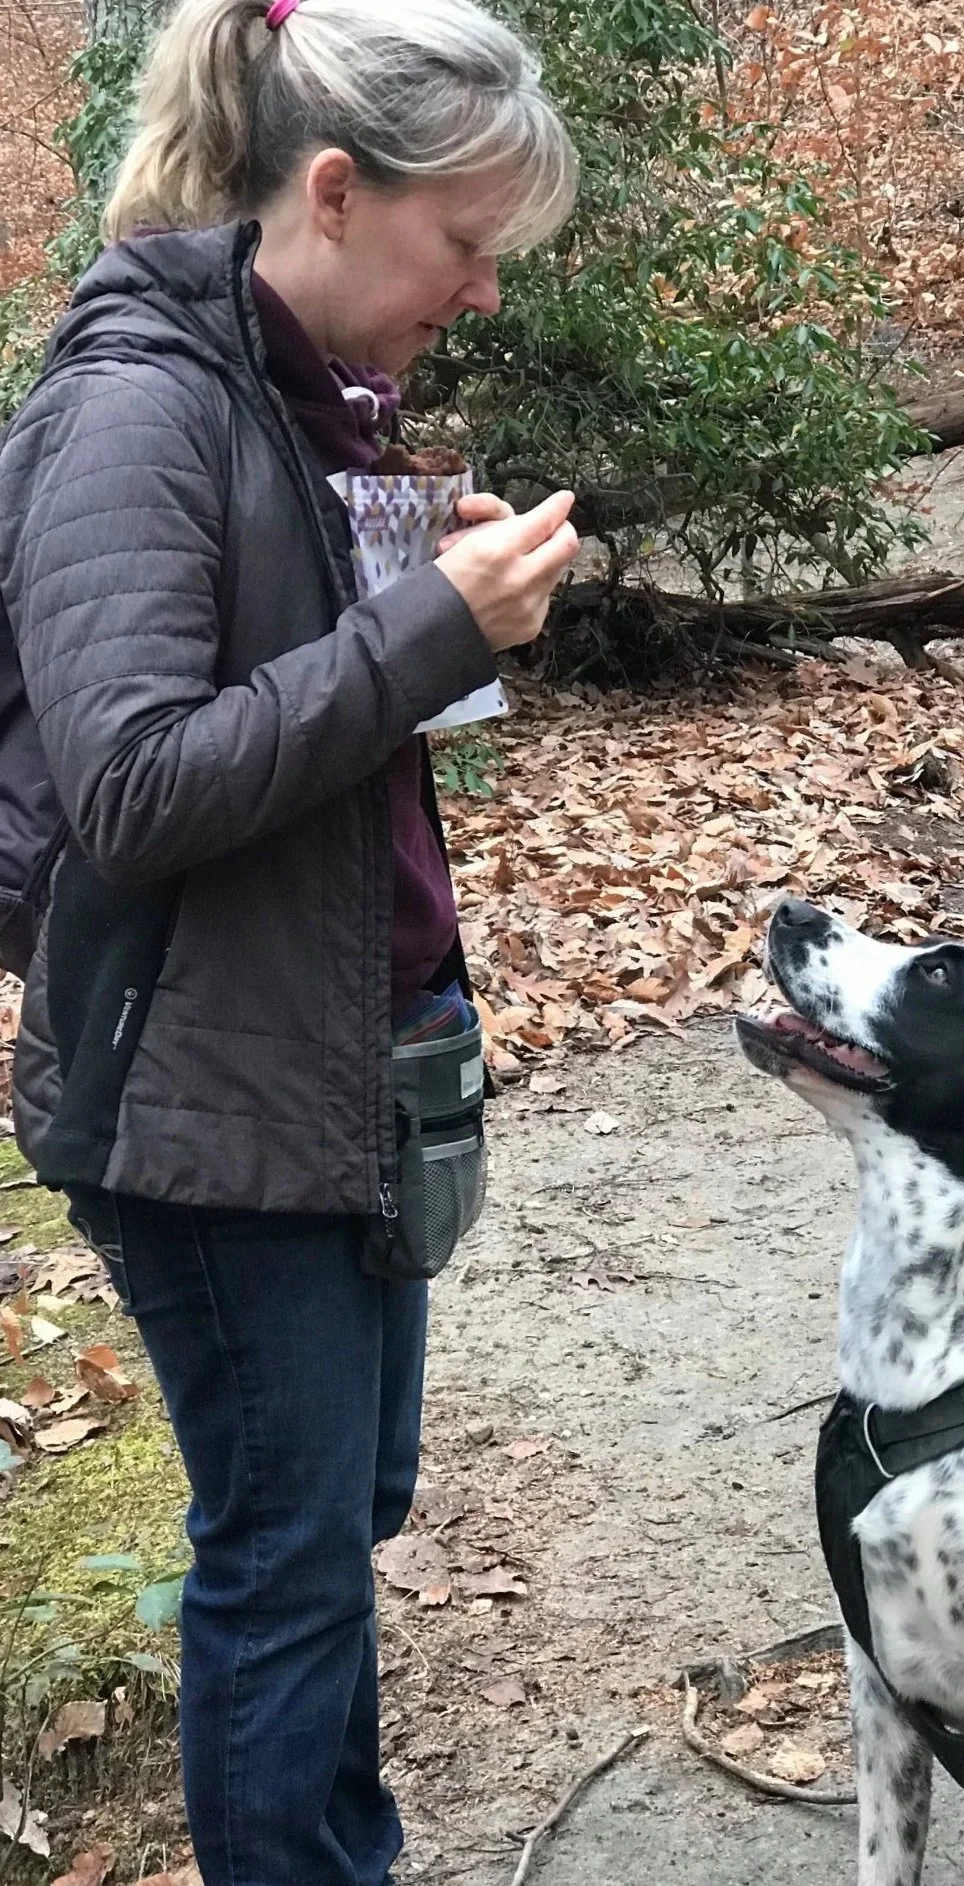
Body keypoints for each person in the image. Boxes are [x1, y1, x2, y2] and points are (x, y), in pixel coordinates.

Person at [0, 0, 579, 1878]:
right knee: (285, 1551)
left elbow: (326, 720)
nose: (479, 293)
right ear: (335, 191)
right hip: (204, 1090)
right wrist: (421, 631)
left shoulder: (304, 389)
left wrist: (455, 618)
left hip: (344, 1047)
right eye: (464, 245)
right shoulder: (135, 405)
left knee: (339, 1517)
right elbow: (137, 786)